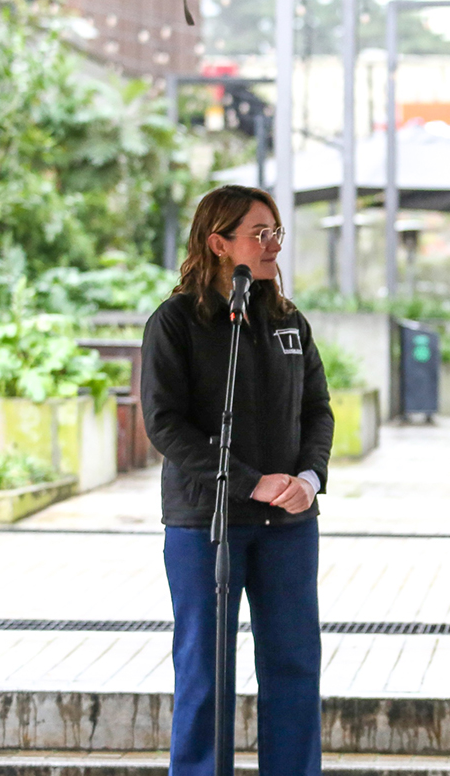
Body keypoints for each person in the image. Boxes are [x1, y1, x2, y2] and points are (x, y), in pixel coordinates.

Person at [141, 185, 334, 776]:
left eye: (277, 232)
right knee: (206, 670)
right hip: (208, 525)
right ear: (219, 243)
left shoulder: (287, 318)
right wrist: (248, 482)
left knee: (295, 667)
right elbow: (164, 424)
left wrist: (308, 477)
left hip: (289, 524)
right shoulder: (176, 322)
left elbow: (318, 409)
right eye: (261, 233)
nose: (275, 244)